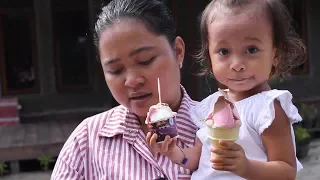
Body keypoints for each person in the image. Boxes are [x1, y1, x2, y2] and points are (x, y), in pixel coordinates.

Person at [147, 0, 307, 179]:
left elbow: (286, 171)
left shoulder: (268, 109)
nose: (237, 64)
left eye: (251, 49)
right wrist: (174, 153)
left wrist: (246, 167)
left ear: (275, 55)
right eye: (224, 51)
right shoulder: (211, 105)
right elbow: (199, 159)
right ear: (210, 56)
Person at [51, 0, 200, 179]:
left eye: (145, 60)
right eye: (116, 70)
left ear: (178, 51)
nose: (132, 81)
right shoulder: (86, 141)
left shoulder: (216, 128)